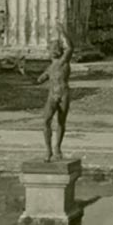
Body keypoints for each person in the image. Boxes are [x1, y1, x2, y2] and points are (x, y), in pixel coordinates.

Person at [36, 21, 73, 161]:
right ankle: (48, 150)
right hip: (52, 95)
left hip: (63, 93)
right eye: (52, 48)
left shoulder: (64, 61)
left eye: (56, 48)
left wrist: (63, 31)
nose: (54, 51)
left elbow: (70, 47)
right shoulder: (49, 68)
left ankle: (57, 147)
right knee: (46, 120)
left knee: (61, 122)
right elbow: (40, 79)